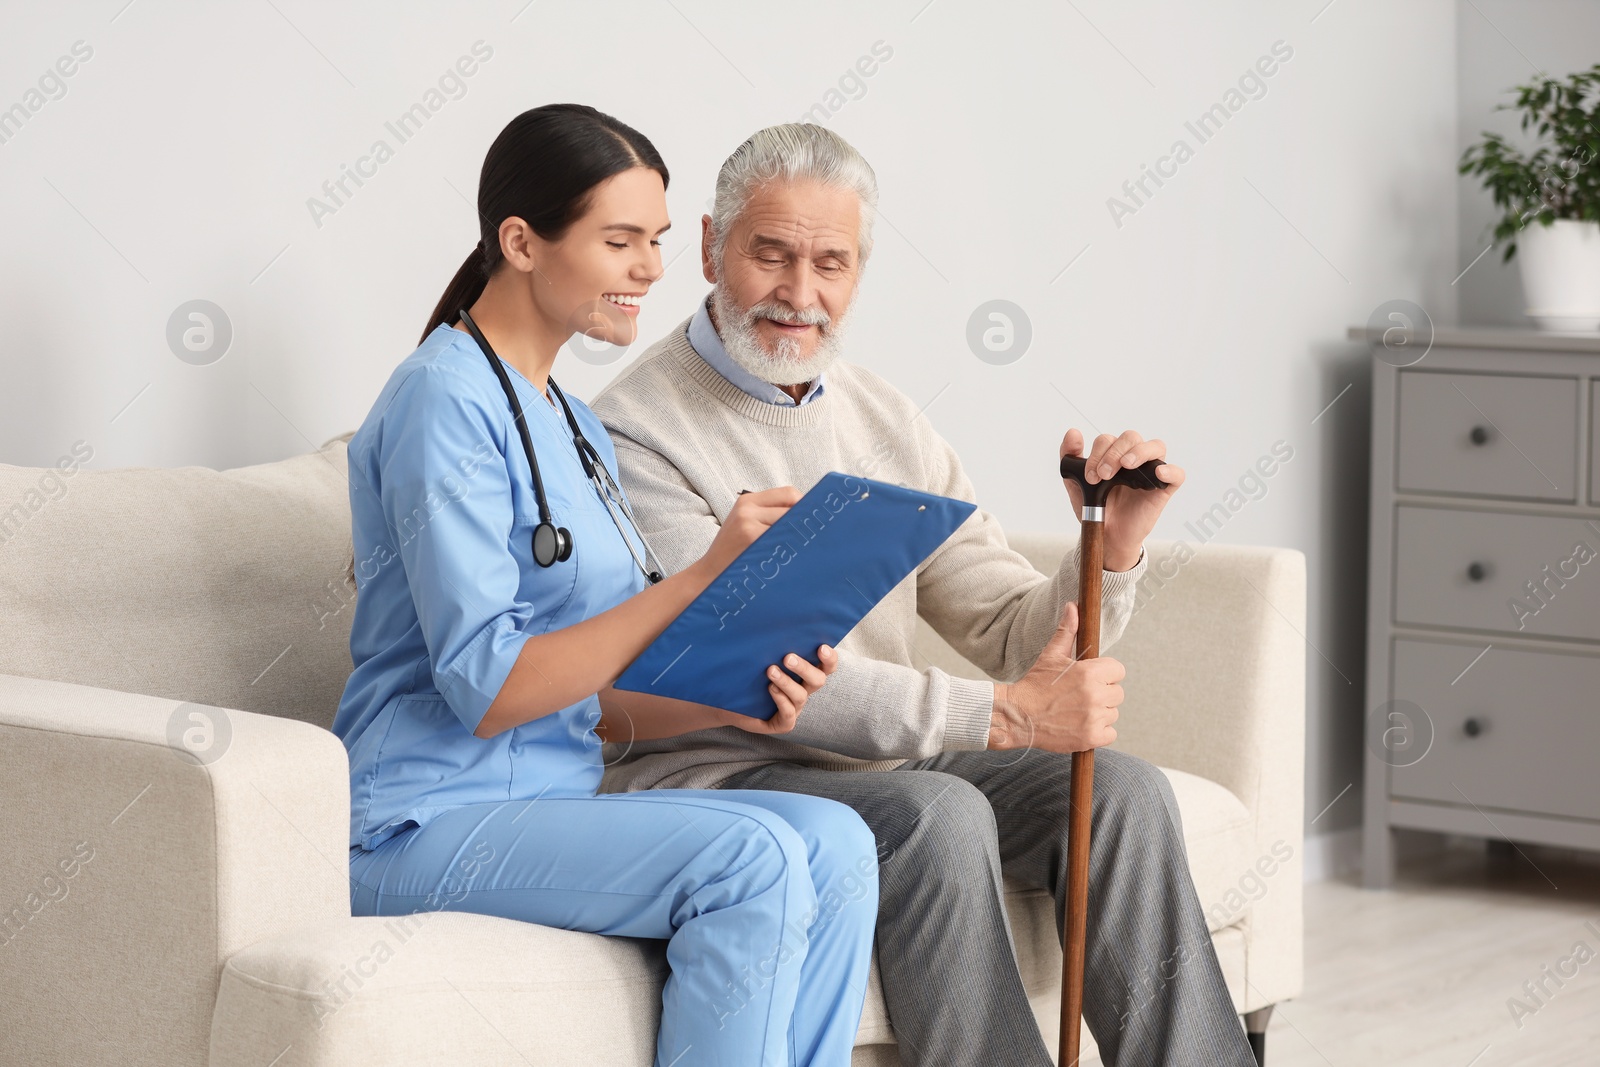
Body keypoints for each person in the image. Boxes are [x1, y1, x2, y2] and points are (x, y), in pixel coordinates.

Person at [590, 123, 1259, 1066]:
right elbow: (753, 672)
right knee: (938, 815)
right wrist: (1011, 718)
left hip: (875, 769)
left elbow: (1006, 624)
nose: (800, 292)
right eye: (769, 254)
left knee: (1123, 791)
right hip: (720, 775)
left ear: (860, 271)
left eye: (832, 262)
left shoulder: (885, 416)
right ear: (709, 245)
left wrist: (1109, 546)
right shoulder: (635, 430)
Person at [332, 105, 879, 1067]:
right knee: (749, 860)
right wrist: (705, 575)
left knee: (834, 842)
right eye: (620, 240)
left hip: (554, 799)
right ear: (522, 243)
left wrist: (737, 701)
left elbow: (594, 704)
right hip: (420, 819)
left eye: (659, 241)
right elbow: (492, 686)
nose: (654, 270)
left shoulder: (576, 426)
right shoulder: (441, 399)